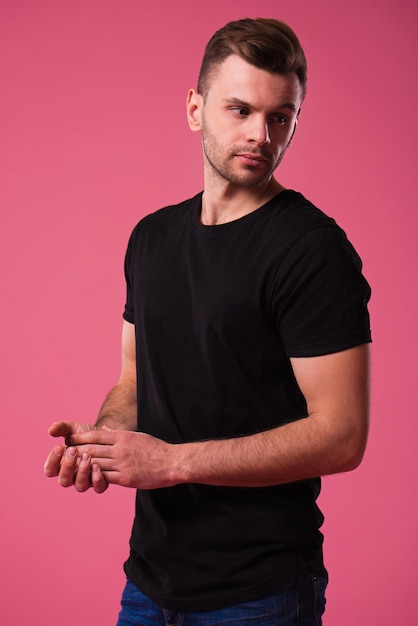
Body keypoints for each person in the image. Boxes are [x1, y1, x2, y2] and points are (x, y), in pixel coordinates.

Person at [44, 17, 372, 625]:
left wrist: (170, 464)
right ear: (195, 109)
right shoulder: (152, 237)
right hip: (149, 581)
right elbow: (135, 383)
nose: (261, 135)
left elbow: (343, 436)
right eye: (240, 110)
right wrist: (104, 443)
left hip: (260, 590)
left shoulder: (311, 249)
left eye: (281, 116)